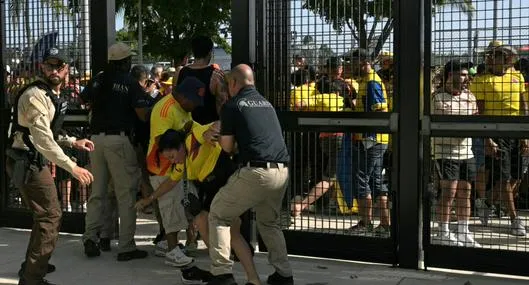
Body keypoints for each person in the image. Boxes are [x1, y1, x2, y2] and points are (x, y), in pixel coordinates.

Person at [5, 47, 94, 285]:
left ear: (66, 69)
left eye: (59, 66)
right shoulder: (35, 95)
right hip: (28, 161)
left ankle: (32, 267)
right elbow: (42, 138)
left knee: (44, 217)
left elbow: (49, 134)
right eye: (50, 66)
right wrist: (72, 167)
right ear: (42, 67)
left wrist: (73, 141)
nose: (55, 70)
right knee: (50, 216)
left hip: (31, 159)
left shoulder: (49, 94)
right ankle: (32, 278)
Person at [136, 127, 259, 284]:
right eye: (169, 159)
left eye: (173, 156)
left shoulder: (192, 139)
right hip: (211, 189)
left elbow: (216, 126)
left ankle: (250, 279)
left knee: (233, 233)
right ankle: (221, 270)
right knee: (201, 221)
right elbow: (171, 182)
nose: (173, 161)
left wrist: (212, 133)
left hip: (226, 180)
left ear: (180, 146)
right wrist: (148, 199)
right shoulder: (181, 162)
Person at [207, 64, 293, 285]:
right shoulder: (266, 104)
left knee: (218, 214)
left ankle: (222, 274)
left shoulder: (232, 106)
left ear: (234, 83)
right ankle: (284, 275)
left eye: (228, 84)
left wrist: (216, 137)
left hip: (255, 172)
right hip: (281, 171)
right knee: (269, 223)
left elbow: (226, 147)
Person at [80, 42, 150, 260]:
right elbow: (142, 115)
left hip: (95, 140)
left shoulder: (100, 78)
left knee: (98, 193)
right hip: (119, 141)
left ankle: (91, 237)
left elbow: (85, 98)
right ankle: (126, 246)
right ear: (127, 62)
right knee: (125, 195)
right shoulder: (129, 82)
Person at [470, 41, 528, 236]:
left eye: (503, 55)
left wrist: (525, 135)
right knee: (504, 177)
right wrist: (487, 139)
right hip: (495, 132)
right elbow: (481, 112)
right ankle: (514, 219)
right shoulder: (482, 80)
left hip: (517, 131)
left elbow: (523, 106)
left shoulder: (516, 76)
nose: (500, 58)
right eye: (496, 55)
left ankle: (487, 202)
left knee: (517, 176)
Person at [432, 60, 481, 247]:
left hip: (466, 150)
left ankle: (463, 231)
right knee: (448, 192)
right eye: (460, 74)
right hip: (445, 151)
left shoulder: (470, 96)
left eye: (465, 74)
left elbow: (475, 121)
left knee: (465, 191)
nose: (464, 78)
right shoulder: (437, 98)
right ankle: (443, 231)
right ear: (449, 75)